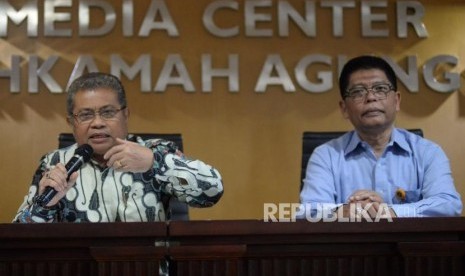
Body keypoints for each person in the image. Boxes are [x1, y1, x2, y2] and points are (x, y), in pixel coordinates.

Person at [14, 72, 224, 223]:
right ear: (71, 122)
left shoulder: (156, 151)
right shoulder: (54, 164)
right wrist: (46, 206)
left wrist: (155, 163)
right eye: (86, 115)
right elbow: (20, 237)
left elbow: (212, 190)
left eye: (107, 112)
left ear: (125, 115)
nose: (97, 123)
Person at [300, 55, 462, 219]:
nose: (371, 98)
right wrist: (347, 211)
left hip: (408, 245)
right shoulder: (325, 155)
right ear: (344, 109)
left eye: (380, 89)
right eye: (357, 92)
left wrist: (390, 212)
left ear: (396, 101)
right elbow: (308, 211)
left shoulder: (428, 152)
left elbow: (448, 204)